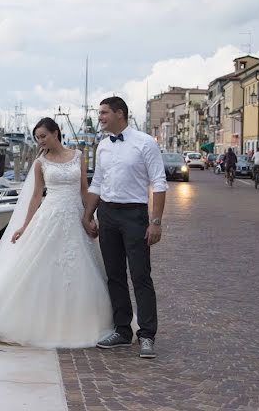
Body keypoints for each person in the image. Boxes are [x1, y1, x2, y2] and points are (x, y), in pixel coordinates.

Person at [0, 117, 121, 348]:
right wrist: (24, 226)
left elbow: (84, 189)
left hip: (74, 216)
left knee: (81, 268)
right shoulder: (41, 163)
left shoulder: (78, 156)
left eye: (43, 136)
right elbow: (35, 196)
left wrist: (88, 216)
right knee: (43, 267)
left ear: (55, 133)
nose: (40, 141)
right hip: (50, 215)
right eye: (37, 138)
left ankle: (81, 321)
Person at [83, 97, 166, 359]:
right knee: (114, 275)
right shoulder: (102, 146)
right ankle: (122, 330)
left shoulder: (144, 143)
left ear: (120, 114)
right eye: (100, 113)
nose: (100, 117)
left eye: (104, 113)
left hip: (135, 215)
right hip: (107, 213)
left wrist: (156, 221)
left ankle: (147, 335)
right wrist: (88, 215)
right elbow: (97, 182)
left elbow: (159, 183)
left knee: (140, 275)